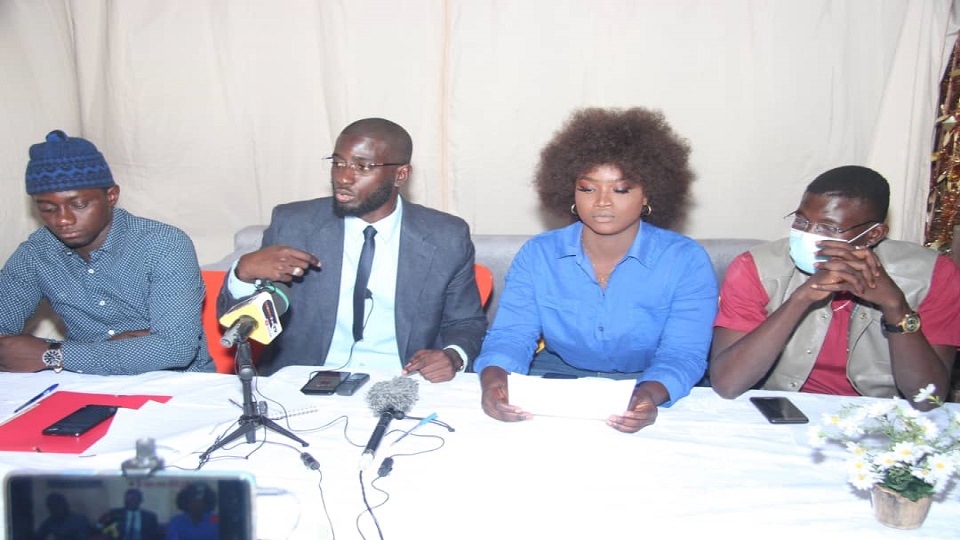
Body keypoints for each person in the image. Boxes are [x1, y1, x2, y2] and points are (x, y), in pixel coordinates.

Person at [473, 107, 719, 433]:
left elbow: (683, 353)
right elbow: (512, 335)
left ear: (648, 193)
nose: (602, 201)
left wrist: (648, 394)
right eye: (588, 189)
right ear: (571, 192)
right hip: (557, 378)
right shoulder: (540, 254)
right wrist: (494, 380)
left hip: (649, 382)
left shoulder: (685, 260)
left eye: (620, 189)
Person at [218, 118, 486, 379]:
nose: (344, 177)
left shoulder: (445, 236)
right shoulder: (294, 225)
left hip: (404, 379)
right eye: (338, 163)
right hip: (306, 378)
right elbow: (245, 325)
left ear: (400, 175)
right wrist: (244, 274)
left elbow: (465, 322)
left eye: (363, 166)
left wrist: (453, 356)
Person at [710, 165, 960, 408]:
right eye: (801, 221)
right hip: (785, 407)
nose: (808, 234)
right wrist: (801, 298)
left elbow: (927, 399)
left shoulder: (931, 274)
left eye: (828, 228)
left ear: (873, 234)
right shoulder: (757, 266)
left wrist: (895, 307)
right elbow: (728, 383)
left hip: (879, 414)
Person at [0, 130, 213, 375]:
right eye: (48, 209)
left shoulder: (163, 244)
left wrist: (54, 354)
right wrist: (105, 351)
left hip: (176, 384)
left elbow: (175, 349)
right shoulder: (36, 254)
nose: (63, 219)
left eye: (79, 205)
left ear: (111, 196)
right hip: (84, 384)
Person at [96, 488, 161, 540]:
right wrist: (100, 523)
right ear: (124, 500)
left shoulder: (150, 517)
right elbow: (100, 528)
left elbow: (155, 536)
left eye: (134, 499)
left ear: (141, 500)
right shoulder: (115, 513)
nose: (131, 501)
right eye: (128, 499)